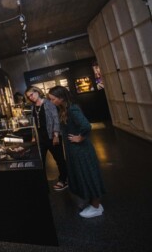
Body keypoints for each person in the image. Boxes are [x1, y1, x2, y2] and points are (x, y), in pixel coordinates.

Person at [48, 86, 106, 218]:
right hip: (75, 150)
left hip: (81, 151)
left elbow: (86, 126)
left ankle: (96, 206)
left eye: (53, 99)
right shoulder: (65, 109)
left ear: (61, 98)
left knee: (88, 176)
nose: (51, 101)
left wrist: (80, 137)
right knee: (84, 175)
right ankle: (93, 202)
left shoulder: (73, 109)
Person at [25, 86, 68, 191]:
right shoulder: (33, 107)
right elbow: (34, 123)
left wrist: (56, 135)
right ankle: (42, 183)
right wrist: (34, 136)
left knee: (59, 159)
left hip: (52, 136)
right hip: (41, 139)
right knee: (40, 162)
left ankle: (64, 180)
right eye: (28, 96)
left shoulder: (49, 103)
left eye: (32, 94)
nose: (31, 97)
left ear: (37, 92)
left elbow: (56, 119)